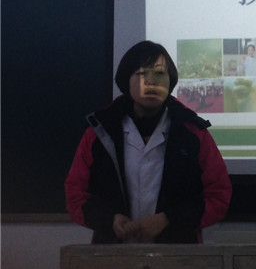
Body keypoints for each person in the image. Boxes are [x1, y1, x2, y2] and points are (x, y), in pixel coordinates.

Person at [65, 41, 232, 243]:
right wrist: (109, 219)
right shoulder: (99, 132)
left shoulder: (194, 133)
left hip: (178, 253)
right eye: (141, 74)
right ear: (126, 81)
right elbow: (75, 194)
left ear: (171, 82)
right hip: (112, 254)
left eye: (160, 74)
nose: (151, 82)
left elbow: (218, 195)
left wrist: (169, 219)